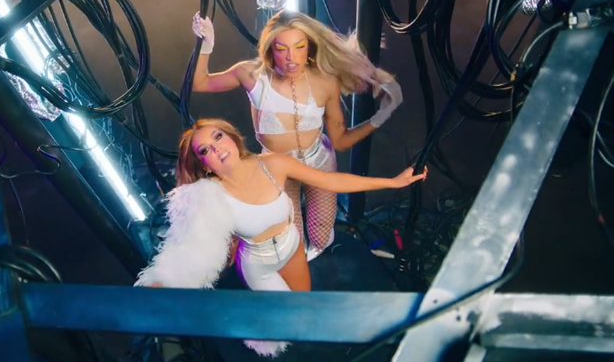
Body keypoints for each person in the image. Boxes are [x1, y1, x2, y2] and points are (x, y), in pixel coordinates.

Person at [134, 119, 426, 357]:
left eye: (218, 137)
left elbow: (331, 181)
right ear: (205, 165)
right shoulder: (210, 197)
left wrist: (392, 182)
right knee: (282, 325)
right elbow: (188, 248)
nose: (217, 148)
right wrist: (160, 282)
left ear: (231, 138)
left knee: (302, 306)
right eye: (205, 150)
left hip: (291, 249)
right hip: (258, 265)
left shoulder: (272, 164)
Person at [190, 10, 403, 262]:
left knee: (321, 238)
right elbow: (200, 83)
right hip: (277, 170)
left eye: (299, 47)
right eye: (282, 49)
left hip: (319, 162)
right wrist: (207, 45)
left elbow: (340, 141)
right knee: (292, 242)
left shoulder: (325, 81)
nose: (291, 58)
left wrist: (381, 116)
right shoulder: (252, 75)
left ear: (309, 47)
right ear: (270, 49)